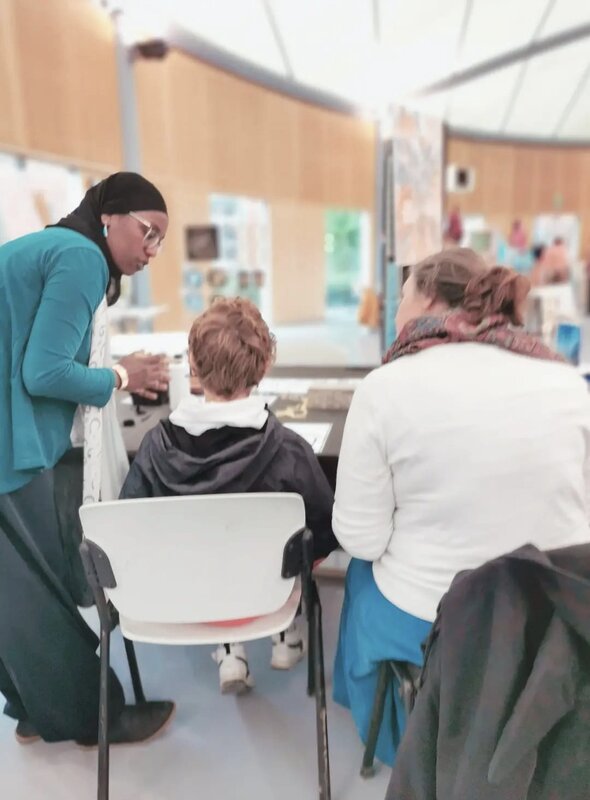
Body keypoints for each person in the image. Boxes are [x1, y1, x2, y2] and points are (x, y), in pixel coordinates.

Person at [332, 247, 590, 766]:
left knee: (361, 572)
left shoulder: (385, 388)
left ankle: (394, 738)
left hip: (436, 620)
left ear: (428, 298)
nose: (395, 310)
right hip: (558, 615)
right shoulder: (568, 382)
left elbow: (359, 537)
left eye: (402, 297)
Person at [0, 172, 174, 745]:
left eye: (159, 242)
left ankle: (33, 709)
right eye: (147, 233)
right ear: (110, 219)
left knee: (13, 592)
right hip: (9, 445)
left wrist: (114, 371)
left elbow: (40, 345)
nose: (151, 250)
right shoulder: (80, 258)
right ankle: (95, 719)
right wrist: (123, 376)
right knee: (38, 598)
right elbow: (43, 372)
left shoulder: (52, 246)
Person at [120, 297, 338, 694]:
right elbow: (324, 534)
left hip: (188, 595)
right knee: (291, 550)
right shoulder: (289, 451)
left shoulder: (155, 448)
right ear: (264, 366)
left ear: (192, 365)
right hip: (267, 597)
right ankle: (286, 638)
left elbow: (130, 526)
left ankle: (229, 653)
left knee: (212, 551)